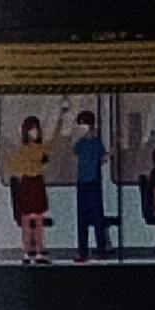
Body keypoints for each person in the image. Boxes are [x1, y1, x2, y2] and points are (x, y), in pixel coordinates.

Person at [67, 109, 113, 257]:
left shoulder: (96, 142)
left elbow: (102, 159)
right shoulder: (79, 143)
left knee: (97, 217)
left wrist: (110, 153)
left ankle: (101, 249)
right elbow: (74, 152)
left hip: (93, 182)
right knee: (82, 218)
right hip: (82, 182)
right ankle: (83, 251)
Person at [3, 116, 49, 266]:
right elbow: (17, 168)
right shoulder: (24, 151)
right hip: (28, 184)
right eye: (31, 129)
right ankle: (28, 251)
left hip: (36, 184)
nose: (34, 132)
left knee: (38, 219)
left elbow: (44, 159)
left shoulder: (40, 149)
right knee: (27, 220)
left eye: (36, 128)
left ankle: (39, 250)